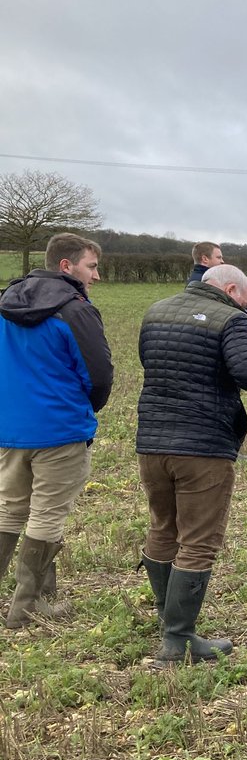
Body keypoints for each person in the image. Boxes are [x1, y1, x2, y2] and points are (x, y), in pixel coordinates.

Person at [137, 265, 247, 665]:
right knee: (198, 541)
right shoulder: (230, 319)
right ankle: (178, 640)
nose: (245, 310)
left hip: (152, 442)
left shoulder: (156, 311)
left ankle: (168, 618)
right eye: (244, 303)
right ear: (231, 290)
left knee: (163, 528)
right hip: (203, 446)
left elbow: (151, 363)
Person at [1, 234, 113, 628]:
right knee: (47, 515)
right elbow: (99, 375)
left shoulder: (6, 303)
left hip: (10, 428)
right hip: (60, 431)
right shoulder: (75, 311)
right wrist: (84, 407)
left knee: (9, 509)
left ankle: (31, 598)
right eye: (91, 266)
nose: (96, 276)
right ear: (67, 266)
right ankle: (26, 606)